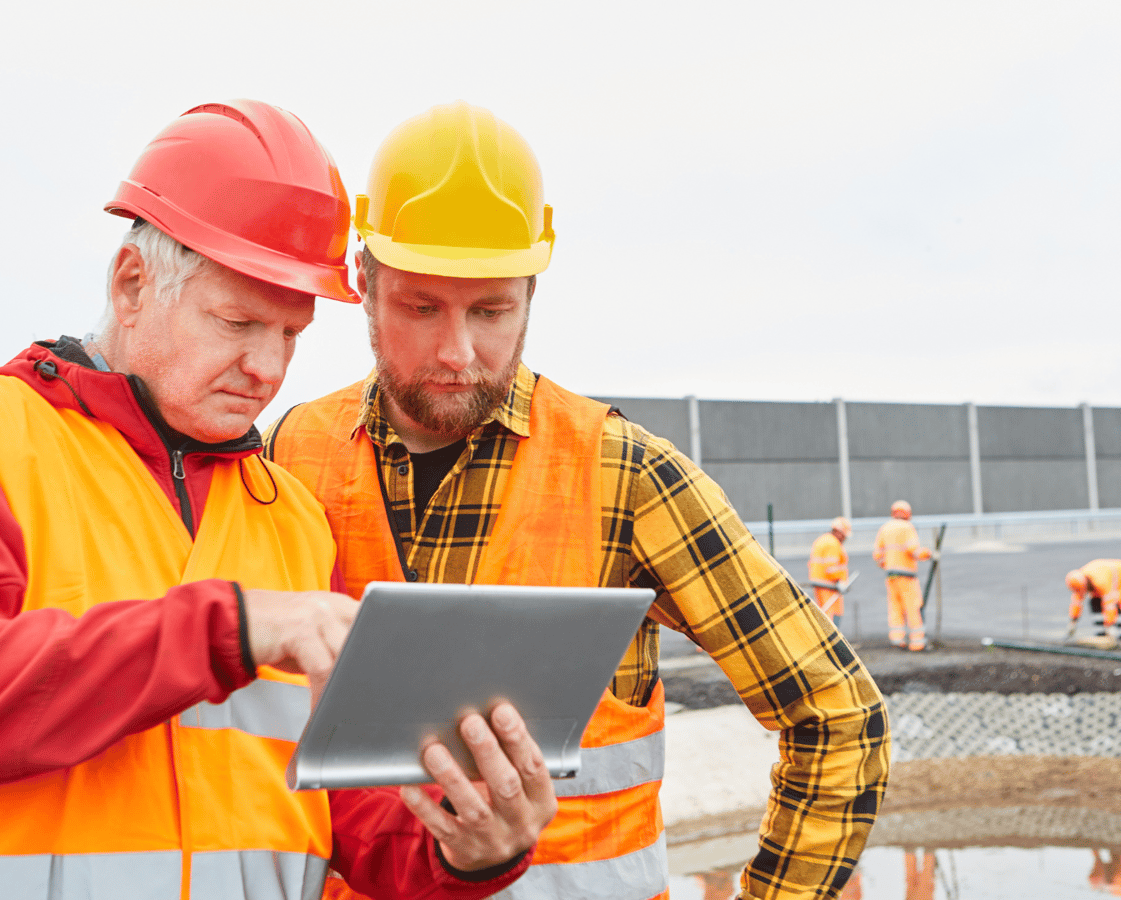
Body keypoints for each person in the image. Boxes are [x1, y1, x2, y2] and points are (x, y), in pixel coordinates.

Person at [0, 100, 559, 900]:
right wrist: (234, 625)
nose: (266, 369)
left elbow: (342, 808)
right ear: (132, 284)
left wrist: (464, 846)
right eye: (237, 322)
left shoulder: (287, 518)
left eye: (290, 334)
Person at [267, 101, 889, 900]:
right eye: (421, 308)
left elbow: (838, 717)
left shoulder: (625, 475)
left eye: (492, 311)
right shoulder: (292, 453)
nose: (458, 353)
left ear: (532, 289)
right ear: (363, 279)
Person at [873, 500, 937, 652]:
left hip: (890, 575)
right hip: (906, 575)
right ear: (908, 514)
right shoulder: (907, 527)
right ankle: (917, 643)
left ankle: (897, 639)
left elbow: (877, 555)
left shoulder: (885, 528)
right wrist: (928, 554)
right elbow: (913, 550)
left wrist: (887, 564)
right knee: (913, 607)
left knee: (895, 607)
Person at [1067, 559, 1121, 644]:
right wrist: (1073, 622)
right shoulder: (1079, 581)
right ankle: (1101, 635)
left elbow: (1109, 605)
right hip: (1107, 577)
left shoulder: (1101, 581)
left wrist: (1109, 625)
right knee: (1095, 602)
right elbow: (1077, 603)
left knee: (1120, 604)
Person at [809, 517, 854, 628]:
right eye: (844, 535)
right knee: (832, 615)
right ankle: (832, 642)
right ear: (839, 532)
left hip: (821, 583)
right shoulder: (832, 543)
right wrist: (840, 582)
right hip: (829, 585)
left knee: (825, 613)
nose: (844, 538)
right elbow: (831, 568)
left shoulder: (823, 540)